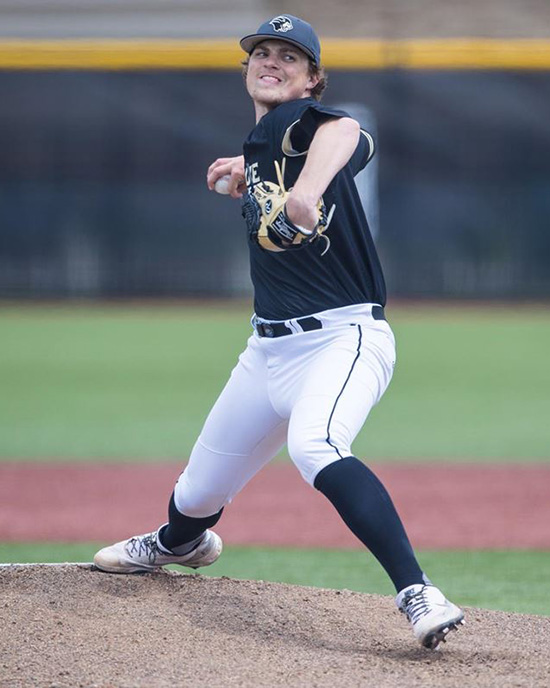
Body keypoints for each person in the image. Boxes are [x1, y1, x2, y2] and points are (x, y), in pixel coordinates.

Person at [94, 15, 464, 650]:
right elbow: (274, 161)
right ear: (246, 70)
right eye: (261, 52)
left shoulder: (312, 128)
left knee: (316, 445)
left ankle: (418, 591)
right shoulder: (265, 140)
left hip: (342, 340)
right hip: (267, 350)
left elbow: (347, 131)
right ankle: (176, 543)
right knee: (196, 495)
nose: (271, 61)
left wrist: (306, 193)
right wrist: (248, 170)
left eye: (289, 57)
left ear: (311, 79)